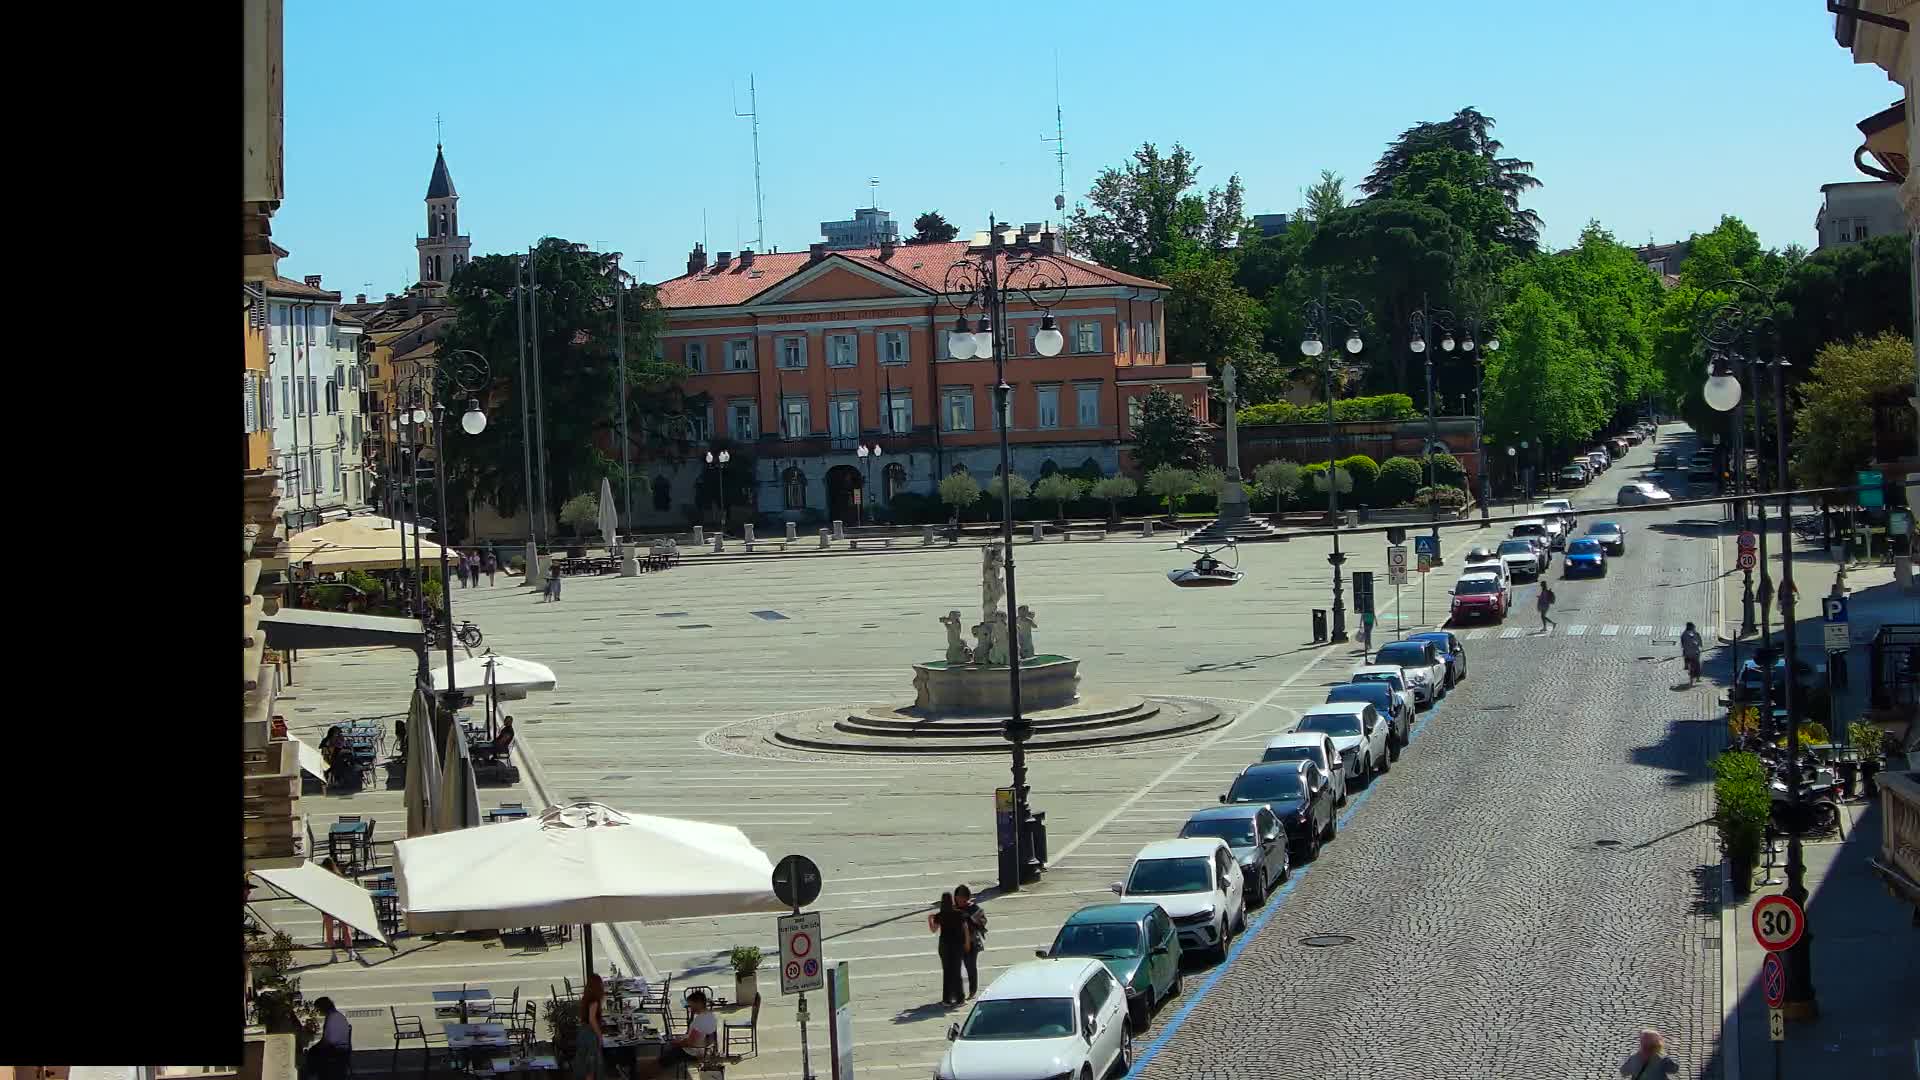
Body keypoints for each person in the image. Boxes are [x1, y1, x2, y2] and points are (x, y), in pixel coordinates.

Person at [927, 891, 970, 1006]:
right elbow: (965, 929)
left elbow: (933, 930)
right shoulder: (959, 914)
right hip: (957, 946)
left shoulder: (939, 916)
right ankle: (960, 998)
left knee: (947, 972)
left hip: (944, 946)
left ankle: (947, 999)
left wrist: (930, 919)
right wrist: (967, 943)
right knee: (956, 971)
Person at [659, 988, 719, 1068]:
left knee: (662, 1058)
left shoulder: (700, 1020)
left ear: (699, 1003)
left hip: (694, 1052)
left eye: (691, 1005)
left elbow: (691, 1043)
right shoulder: (711, 1016)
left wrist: (678, 1043)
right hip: (703, 1050)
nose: (690, 1009)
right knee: (667, 1050)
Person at [305, 997, 352, 1080]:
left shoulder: (332, 1017)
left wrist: (317, 1046)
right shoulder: (337, 1015)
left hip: (337, 1050)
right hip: (340, 1049)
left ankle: (313, 1075)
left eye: (318, 1008)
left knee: (311, 1053)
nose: (318, 1011)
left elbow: (329, 1040)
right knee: (313, 1051)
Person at [954, 884, 987, 999]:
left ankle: (972, 991)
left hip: (972, 942)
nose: (960, 902)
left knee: (970, 966)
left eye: (962, 899)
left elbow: (983, 922)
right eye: (958, 899)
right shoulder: (954, 908)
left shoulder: (974, 908)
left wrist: (973, 919)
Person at [572, 973, 606, 1080]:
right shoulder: (594, 1001)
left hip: (582, 1033)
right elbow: (592, 1019)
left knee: (585, 1064)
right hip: (590, 1035)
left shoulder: (586, 998)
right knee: (591, 1067)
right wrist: (599, 1035)